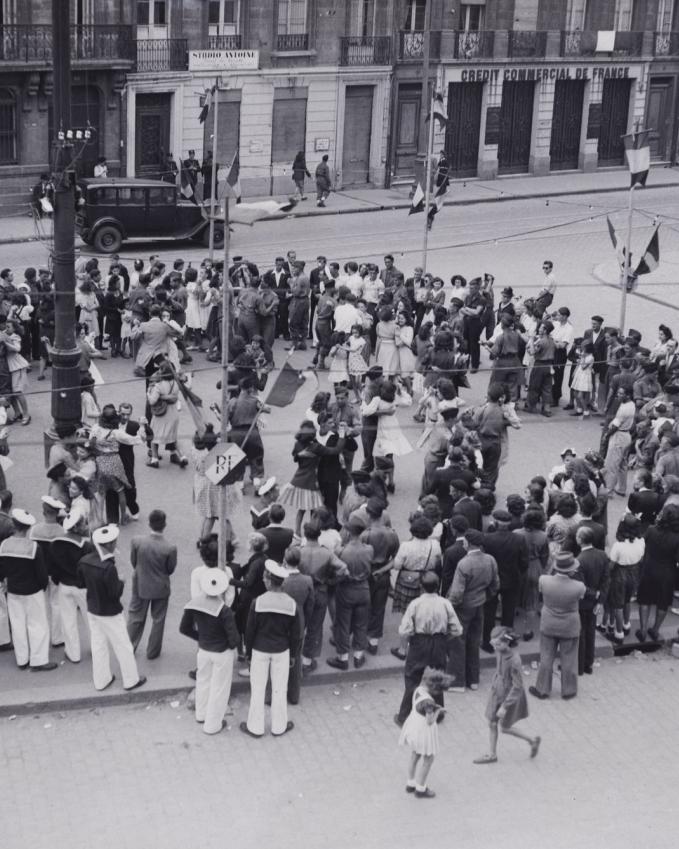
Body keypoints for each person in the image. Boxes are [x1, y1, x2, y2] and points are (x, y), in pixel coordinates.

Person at [77, 525, 146, 692]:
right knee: (123, 645)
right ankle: (131, 680)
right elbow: (115, 594)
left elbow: (80, 583)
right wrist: (121, 581)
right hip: (110, 612)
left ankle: (101, 680)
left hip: (93, 608)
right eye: (114, 542)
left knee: (98, 644)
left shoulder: (84, 561)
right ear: (109, 545)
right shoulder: (109, 568)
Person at [241, 560, 303, 738]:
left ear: (269, 580)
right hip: (281, 651)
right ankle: (279, 727)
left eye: (265, 578)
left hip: (260, 650)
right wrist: (293, 654)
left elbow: (250, 631)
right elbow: (296, 634)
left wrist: (248, 653)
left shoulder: (258, 602)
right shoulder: (291, 604)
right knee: (279, 688)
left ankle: (255, 727)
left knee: (258, 688)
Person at [394, 571, 462, 726]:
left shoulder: (415, 604)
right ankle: (438, 714)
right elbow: (457, 629)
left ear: (421, 587)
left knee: (412, 678)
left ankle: (404, 716)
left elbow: (404, 630)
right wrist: (444, 639)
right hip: (439, 642)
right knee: (437, 677)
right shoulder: (445, 603)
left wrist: (406, 646)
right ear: (437, 586)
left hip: (419, 643)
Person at [179, 568, 240, 735]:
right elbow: (234, 639)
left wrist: (200, 637)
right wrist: (230, 645)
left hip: (204, 650)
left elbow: (184, 628)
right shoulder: (224, 610)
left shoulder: (193, 604)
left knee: (203, 681)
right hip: (221, 652)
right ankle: (212, 725)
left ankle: (201, 714)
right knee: (219, 688)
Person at [473, 627, 541, 765]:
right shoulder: (500, 650)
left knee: (505, 728)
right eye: (494, 644)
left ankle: (532, 741)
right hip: (496, 690)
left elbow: (517, 686)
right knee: (492, 722)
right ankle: (492, 754)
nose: (495, 647)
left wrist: (504, 706)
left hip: (508, 696)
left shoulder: (515, 660)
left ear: (507, 643)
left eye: (498, 644)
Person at [0, 509, 56, 671]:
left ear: (14, 525)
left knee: (18, 625)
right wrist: (43, 586)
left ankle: (22, 659)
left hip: (13, 591)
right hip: (33, 591)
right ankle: (38, 660)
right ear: (27, 528)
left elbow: (1, 569)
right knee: (37, 624)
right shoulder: (33, 547)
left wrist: (5, 581)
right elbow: (41, 572)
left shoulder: (4, 545)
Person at [447, 529, 499, 693]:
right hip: (479, 604)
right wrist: (486, 597)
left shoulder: (464, 564)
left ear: (467, 543)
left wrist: (449, 607)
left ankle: (457, 682)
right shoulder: (490, 559)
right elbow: (495, 584)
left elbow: (456, 593)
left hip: (463, 607)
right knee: (474, 641)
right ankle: (473, 679)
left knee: (457, 641)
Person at [529, 551, 585, 701]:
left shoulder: (544, 580)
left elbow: (541, 592)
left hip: (549, 624)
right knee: (569, 658)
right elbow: (582, 596)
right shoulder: (579, 586)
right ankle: (569, 690)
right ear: (571, 570)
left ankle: (542, 689)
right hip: (570, 626)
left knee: (546, 657)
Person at [126, 510, 177, 660]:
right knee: (158, 619)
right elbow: (170, 569)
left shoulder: (137, 541)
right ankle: (153, 652)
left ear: (149, 523)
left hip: (140, 583)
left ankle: (129, 647)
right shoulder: (170, 547)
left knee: (135, 616)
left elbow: (133, 561)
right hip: (161, 587)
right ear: (164, 525)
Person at [399, 666, 456, 799]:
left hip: (413, 726)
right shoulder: (429, 702)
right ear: (435, 688)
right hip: (423, 731)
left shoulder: (418, 690)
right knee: (428, 759)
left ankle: (410, 783)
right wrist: (438, 710)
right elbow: (430, 721)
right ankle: (421, 788)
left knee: (415, 754)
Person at [326, 515, 373, 671]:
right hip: (364, 589)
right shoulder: (369, 549)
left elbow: (336, 571)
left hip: (346, 589)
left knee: (343, 624)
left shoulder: (342, 551)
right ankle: (359, 656)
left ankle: (343, 658)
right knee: (361, 624)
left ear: (348, 531)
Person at [51, 514, 93, 664]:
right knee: (90, 620)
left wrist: (57, 580)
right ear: (76, 527)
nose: (85, 526)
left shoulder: (56, 543)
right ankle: (95, 648)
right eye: (83, 524)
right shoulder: (86, 545)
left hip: (64, 585)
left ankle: (73, 653)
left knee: (68, 620)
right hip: (82, 587)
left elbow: (53, 566)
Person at [636, 505, 679, 642]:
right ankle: (655, 630)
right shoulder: (677, 537)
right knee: (663, 603)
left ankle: (642, 630)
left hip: (649, 569)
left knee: (645, 599)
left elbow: (644, 545)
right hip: (667, 573)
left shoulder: (651, 530)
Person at [574, 527, 609, 676]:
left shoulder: (579, 560)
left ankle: (580, 666)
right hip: (595, 604)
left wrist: (594, 595)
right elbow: (606, 580)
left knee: (580, 634)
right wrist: (600, 600)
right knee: (590, 633)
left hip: (583, 603)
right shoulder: (602, 555)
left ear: (580, 540)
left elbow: (581, 586)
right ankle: (589, 664)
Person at [281, 547, 314, 705]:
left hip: (281, 623)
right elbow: (310, 605)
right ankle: (294, 696)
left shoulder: (281, 580)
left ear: (285, 561)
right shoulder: (307, 580)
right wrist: (305, 622)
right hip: (299, 621)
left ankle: (275, 694)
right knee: (295, 661)